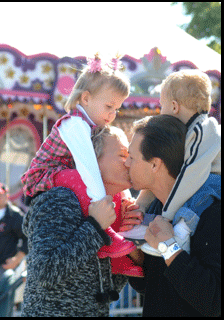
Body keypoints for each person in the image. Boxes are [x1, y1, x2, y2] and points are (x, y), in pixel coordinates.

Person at [21, 53, 140, 274]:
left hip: (61, 174)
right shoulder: (75, 124)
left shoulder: (88, 126)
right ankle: (108, 237)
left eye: (117, 109)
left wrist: (126, 199)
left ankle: (118, 260)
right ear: (85, 98)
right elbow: (88, 167)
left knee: (101, 187)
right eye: (108, 106)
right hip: (45, 176)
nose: (112, 114)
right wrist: (101, 211)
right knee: (83, 180)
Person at [21, 126, 143, 317]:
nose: (128, 163)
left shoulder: (115, 206)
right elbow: (44, 271)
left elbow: (106, 288)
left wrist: (132, 246)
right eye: (121, 155)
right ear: (91, 159)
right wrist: (95, 227)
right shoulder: (61, 198)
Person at [125, 115, 221, 317]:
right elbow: (155, 287)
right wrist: (134, 254)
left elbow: (215, 300)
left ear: (155, 165)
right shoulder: (155, 208)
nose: (126, 163)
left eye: (132, 157)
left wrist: (169, 247)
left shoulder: (211, 211)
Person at [122, 69, 221, 256]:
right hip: (205, 177)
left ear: (174, 107)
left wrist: (167, 216)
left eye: (162, 106)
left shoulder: (200, 129)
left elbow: (188, 175)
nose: (160, 112)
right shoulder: (188, 130)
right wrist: (141, 204)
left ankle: (180, 234)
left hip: (214, 181)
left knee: (196, 198)